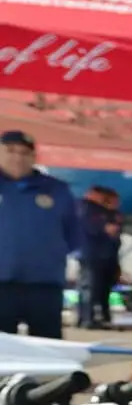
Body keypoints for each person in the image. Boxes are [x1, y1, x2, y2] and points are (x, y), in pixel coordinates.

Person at [0, 130, 85, 340]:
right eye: (10, 151)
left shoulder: (57, 190)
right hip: (2, 283)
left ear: (34, 157)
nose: (18, 157)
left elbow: (73, 233)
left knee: (46, 346)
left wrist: (50, 256)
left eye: (24, 153)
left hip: (44, 284)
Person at [77, 185, 121, 329]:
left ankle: (100, 316)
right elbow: (89, 227)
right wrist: (104, 228)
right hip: (91, 254)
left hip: (106, 255)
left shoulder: (107, 212)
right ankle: (87, 318)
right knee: (89, 287)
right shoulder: (84, 208)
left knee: (102, 289)